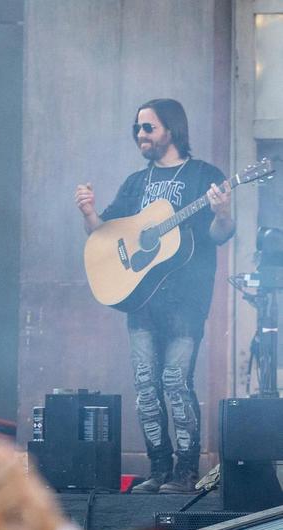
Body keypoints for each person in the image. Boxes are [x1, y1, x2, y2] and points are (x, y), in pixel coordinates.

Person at [75, 99, 233, 494]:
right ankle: (159, 470)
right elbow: (106, 236)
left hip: (187, 302)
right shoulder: (136, 182)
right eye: (137, 128)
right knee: (145, 384)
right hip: (142, 299)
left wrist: (223, 213)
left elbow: (220, 234)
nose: (140, 135)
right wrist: (90, 214)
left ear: (171, 131)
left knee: (176, 381)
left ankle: (186, 472)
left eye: (148, 128)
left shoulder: (203, 176)